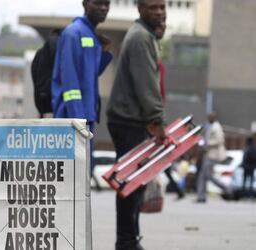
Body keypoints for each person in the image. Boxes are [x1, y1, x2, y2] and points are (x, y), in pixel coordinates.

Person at [106, 0, 166, 249]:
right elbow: (147, 85)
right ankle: (126, 241)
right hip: (129, 120)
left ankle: (130, 238)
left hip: (130, 118)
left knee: (135, 184)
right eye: (153, 7)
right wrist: (157, 120)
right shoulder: (141, 37)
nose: (160, 12)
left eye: (163, 7)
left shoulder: (146, 36)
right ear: (140, 9)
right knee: (129, 185)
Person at [51, 0, 112, 176]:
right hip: (73, 119)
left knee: (83, 176)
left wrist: (104, 53)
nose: (103, 8)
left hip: (86, 118)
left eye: (106, 4)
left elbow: (89, 74)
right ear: (85, 4)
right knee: (73, 179)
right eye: (98, 3)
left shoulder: (90, 34)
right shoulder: (73, 33)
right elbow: (70, 83)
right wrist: (78, 121)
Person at [155, 21, 185, 200]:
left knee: (162, 165)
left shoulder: (157, 59)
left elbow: (159, 91)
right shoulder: (148, 51)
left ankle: (175, 190)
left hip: (155, 116)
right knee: (160, 165)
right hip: (151, 117)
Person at [196, 112, 231, 203]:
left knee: (207, 175)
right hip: (208, 154)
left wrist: (206, 143)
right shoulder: (210, 126)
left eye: (210, 117)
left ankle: (226, 188)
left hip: (213, 155)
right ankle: (201, 196)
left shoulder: (216, 127)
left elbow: (219, 140)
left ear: (214, 118)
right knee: (203, 176)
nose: (208, 119)